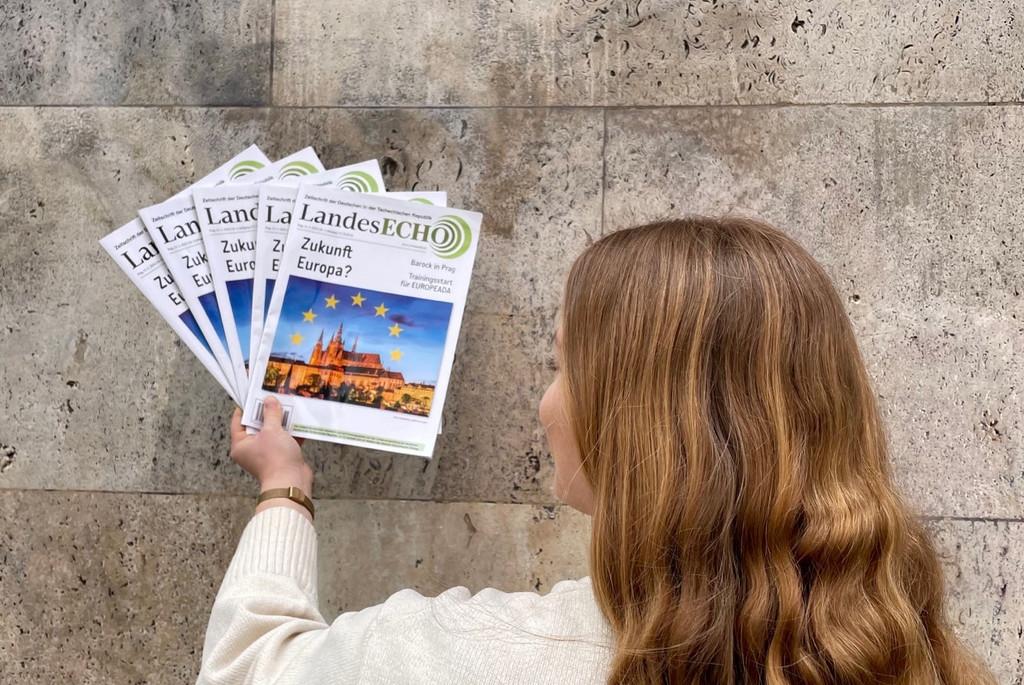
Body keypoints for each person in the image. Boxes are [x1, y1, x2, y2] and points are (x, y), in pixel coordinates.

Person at [198, 217, 997, 684]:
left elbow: (251, 669)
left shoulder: (476, 658)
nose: (547, 400)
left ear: (631, 422)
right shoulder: (924, 662)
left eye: (562, 363)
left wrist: (284, 491)